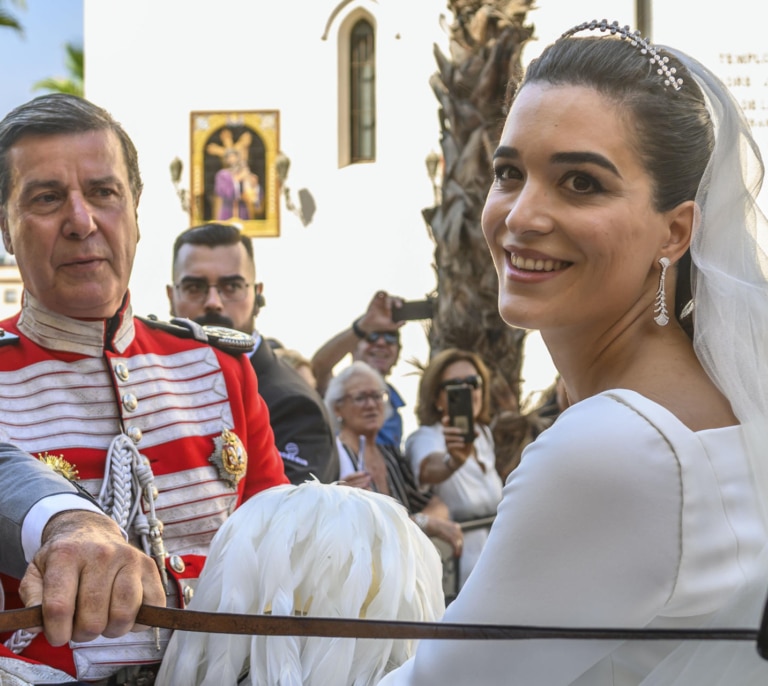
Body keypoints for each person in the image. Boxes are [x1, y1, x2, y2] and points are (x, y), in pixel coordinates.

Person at [380, 19, 768, 685]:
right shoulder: (719, 400)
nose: (522, 215)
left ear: (676, 230)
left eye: (581, 183)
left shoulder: (613, 446)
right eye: (508, 172)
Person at [0, 93, 288, 682]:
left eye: (104, 193)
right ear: (5, 229)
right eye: (47, 198)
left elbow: (278, 548)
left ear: (135, 211)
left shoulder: (220, 365)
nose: (82, 222)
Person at [167, 222, 339, 485]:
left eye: (231, 286)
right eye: (194, 287)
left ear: (257, 295)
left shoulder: (293, 405)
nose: (213, 301)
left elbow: (287, 519)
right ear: (171, 296)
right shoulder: (155, 380)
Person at [325, 360, 463, 558]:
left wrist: (420, 521)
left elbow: (435, 505)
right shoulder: (333, 455)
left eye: (377, 396)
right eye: (360, 397)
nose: (371, 404)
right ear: (337, 408)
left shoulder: (390, 454)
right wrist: (422, 523)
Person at [405, 348, 503, 589]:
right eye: (455, 385)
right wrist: (453, 462)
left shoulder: (483, 436)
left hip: (496, 572)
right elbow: (429, 468)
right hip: (457, 582)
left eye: (473, 382)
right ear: (437, 399)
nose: (468, 390)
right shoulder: (425, 437)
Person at [312, 290, 407, 450]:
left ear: (398, 353)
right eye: (372, 336)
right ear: (352, 348)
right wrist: (362, 327)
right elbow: (320, 366)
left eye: (391, 337)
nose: (381, 343)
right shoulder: (337, 388)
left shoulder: (393, 402)